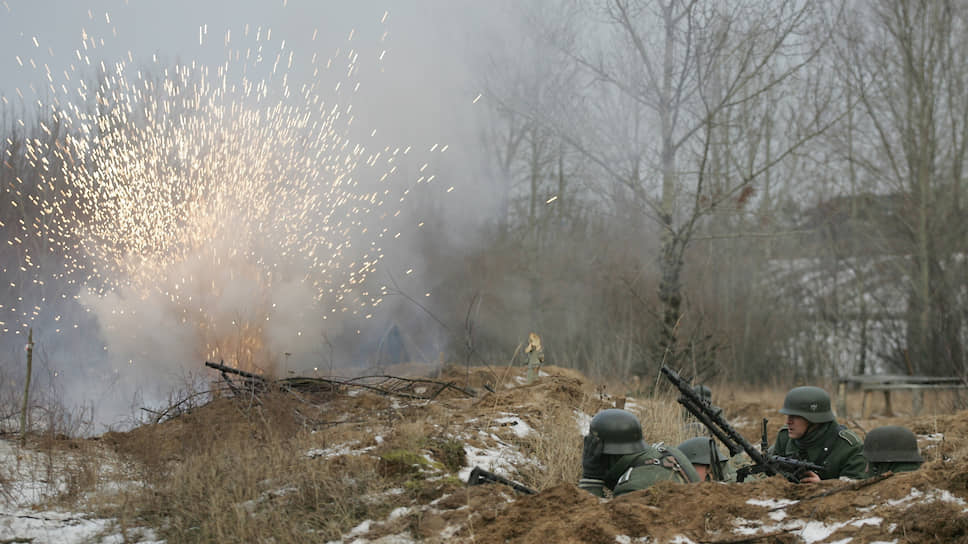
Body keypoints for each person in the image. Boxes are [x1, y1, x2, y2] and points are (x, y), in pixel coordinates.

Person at [579, 409, 700, 497]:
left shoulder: (630, 488)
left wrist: (591, 480)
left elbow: (598, 525)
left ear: (608, 455)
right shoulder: (670, 452)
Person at [769, 386, 867, 482]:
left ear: (815, 420)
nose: (788, 422)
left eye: (795, 416)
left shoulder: (849, 447)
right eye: (788, 415)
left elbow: (855, 491)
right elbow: (764, 475)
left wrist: (821, 487)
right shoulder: (785, 437)